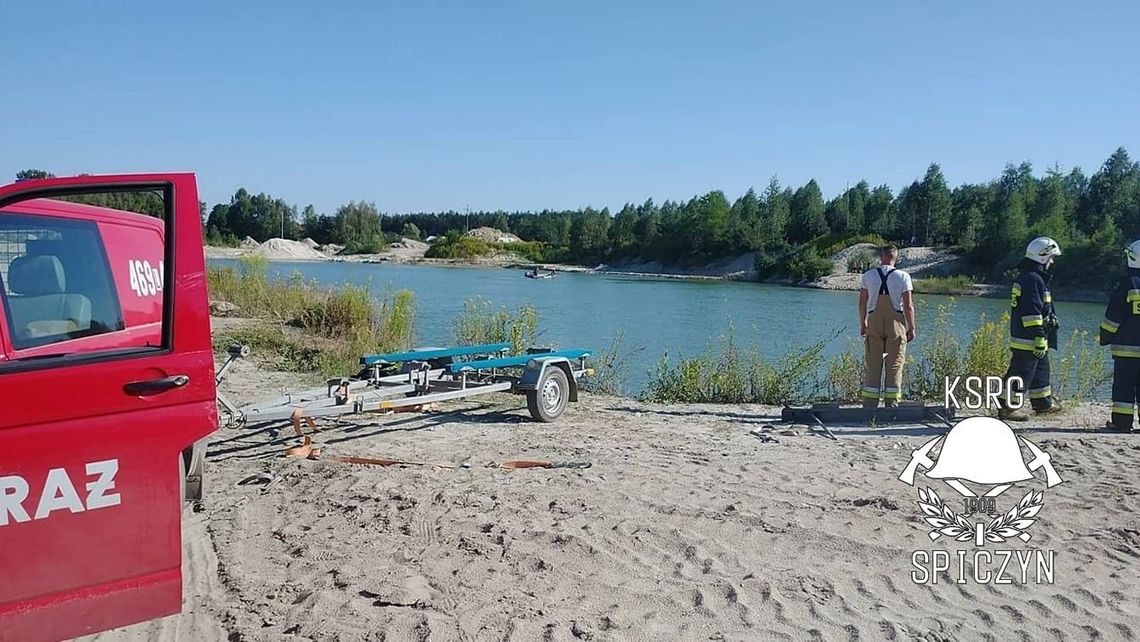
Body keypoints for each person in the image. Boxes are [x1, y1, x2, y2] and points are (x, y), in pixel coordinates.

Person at [999, 237, 1063, 421]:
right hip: (1029, 337)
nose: (1052, 261)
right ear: (1043, 258)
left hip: (1031, 336)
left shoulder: (1032, 277)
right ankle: (1007, 408)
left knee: (1041, 369)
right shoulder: (1033, 279)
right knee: (1022, 371)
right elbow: (1032, 312)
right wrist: (1039, 336)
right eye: (1051, 257)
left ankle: (1043, 404)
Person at [858, 244, 916, 408]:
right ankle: (892, 404)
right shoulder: (903, 276)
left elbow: (862, 302)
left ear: (881, 257)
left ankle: (870, 404)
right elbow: (908, 304)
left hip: (874, 320)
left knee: (873, 363)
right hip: (896, 322)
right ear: (896, 258)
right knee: (895, 364)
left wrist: (863, 323)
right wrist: (911, 327)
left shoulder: (868, 275)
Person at [1098, 240, 1140, 433]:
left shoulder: (1126, 284)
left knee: (1124, 387)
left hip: (1126, 351)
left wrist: (1105, 337)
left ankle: (1121, 424)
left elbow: (1112, 318)